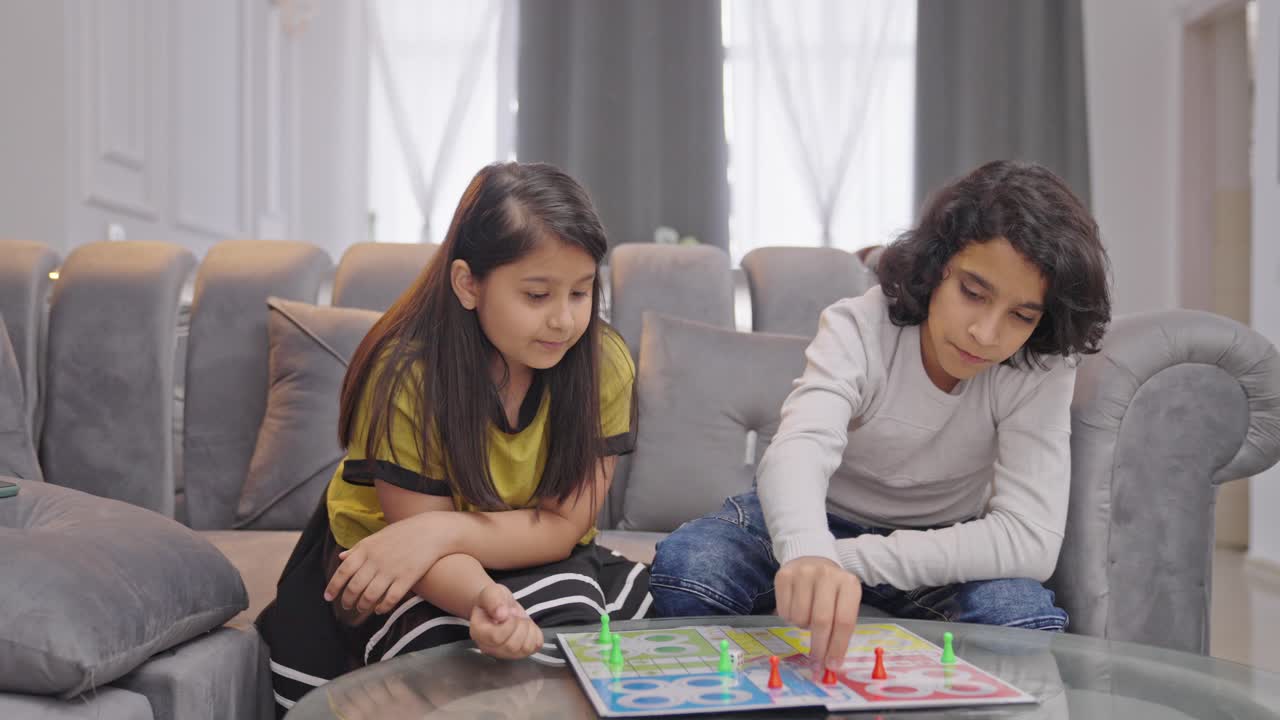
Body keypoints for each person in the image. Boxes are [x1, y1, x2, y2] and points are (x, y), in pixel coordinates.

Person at [650, 160, 1112, 677]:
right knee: (694, 567)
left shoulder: (1042, 366)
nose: (986, 332)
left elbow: (1029, 539)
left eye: (1021, 315)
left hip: (945, 539)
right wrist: (807, 550)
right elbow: (799, 446)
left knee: (1019, 619)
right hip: (816, 515)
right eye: (973, 293)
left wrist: (838, 561)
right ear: (938, 266)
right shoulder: (860, 324)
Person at [258, 162, 649, 714]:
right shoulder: (408, 374)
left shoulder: (603, 364)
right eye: (537, 296)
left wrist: (440, 530)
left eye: (581, 293)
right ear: (469, 284)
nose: (563, 320)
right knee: (449, 658)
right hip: (405, 563)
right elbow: (409, 545)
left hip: (520, 547)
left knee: (592, 632)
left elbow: (564, 526)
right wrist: (485, 600)